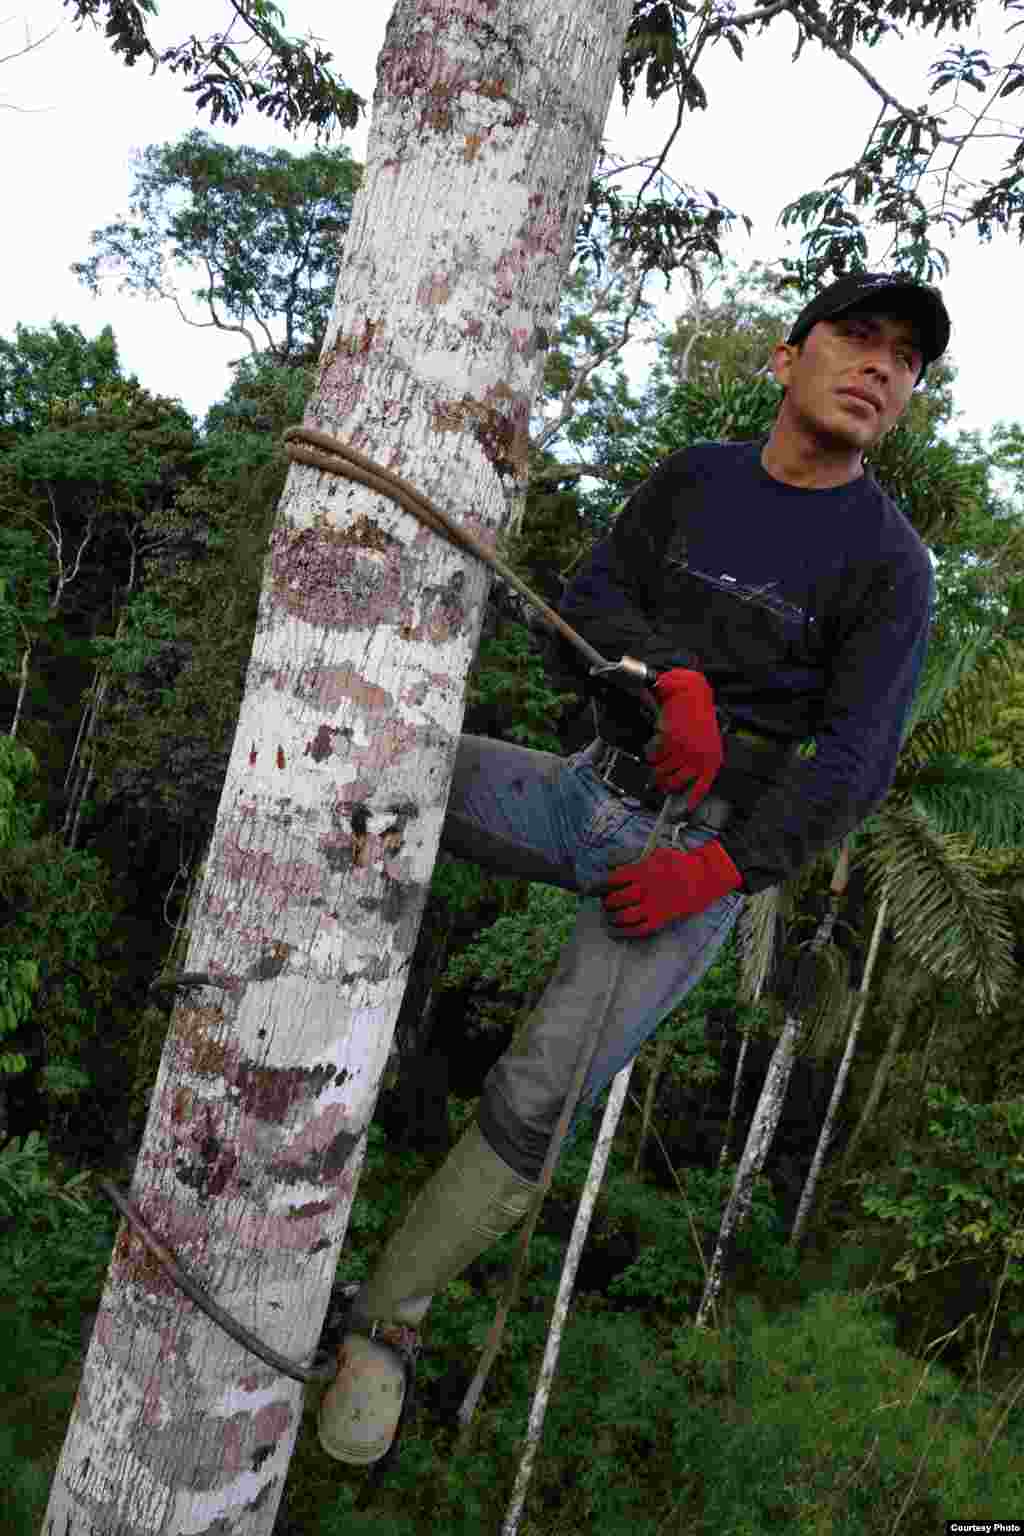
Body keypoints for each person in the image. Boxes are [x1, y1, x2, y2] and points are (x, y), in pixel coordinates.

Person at [317, 271, 950, 1464]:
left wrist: (716, 872)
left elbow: (858, 761)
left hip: (688, 858)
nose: (878, 366)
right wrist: (672, 679)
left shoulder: (889, 563)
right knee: (375, 765)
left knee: (537, 1092)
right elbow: (590, 595)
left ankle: (385, 1326)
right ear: (787, 357)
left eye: (904, 359)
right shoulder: (694, 481)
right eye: (856, 337)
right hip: (584, 791)